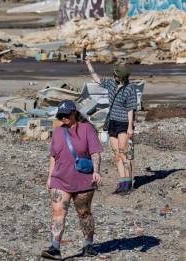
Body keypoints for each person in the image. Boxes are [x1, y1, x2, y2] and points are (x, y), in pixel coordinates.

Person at [42, 100, 103, 260]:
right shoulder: (57, 132)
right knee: (58, 212)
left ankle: (88, 244)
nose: (63, 118)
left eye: (66, 114)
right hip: (60, 179)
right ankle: (55, 247)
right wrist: (50, 177)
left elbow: (95, 153)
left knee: (84, 213)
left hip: (83, 180)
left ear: (74, 113)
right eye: (60, 115)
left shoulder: (87, 129)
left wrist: (96, 172)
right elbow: (53, 156)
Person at [85, 57, 137, 194]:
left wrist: (130, 127)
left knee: (124, 153)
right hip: (113, 122)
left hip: (124, 123)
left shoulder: (130, 88)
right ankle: (121, 182)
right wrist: (89, 64)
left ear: (122, 76)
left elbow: (131, 108)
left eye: (116, 75)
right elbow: (97, 79)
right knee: (117, 155)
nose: (114, 76)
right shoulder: (111, 84)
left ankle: (128, 182)